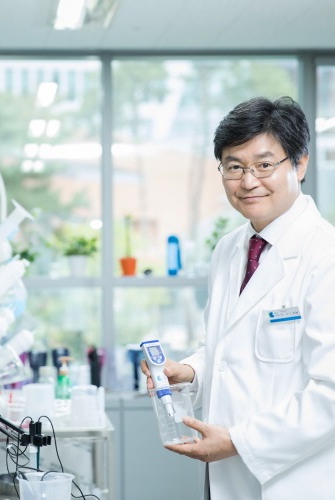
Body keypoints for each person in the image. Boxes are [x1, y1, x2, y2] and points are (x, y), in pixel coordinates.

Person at [141, 96, 335, 500]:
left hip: (295, 484)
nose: (248, 181)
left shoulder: (325, 256)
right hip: (224, 479)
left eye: (264, 165)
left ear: (300, 164)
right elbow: (225, 348)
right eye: (234, 167)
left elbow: (330, 394)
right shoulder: (229, 249)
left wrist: (239, 441)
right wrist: (190, 372)